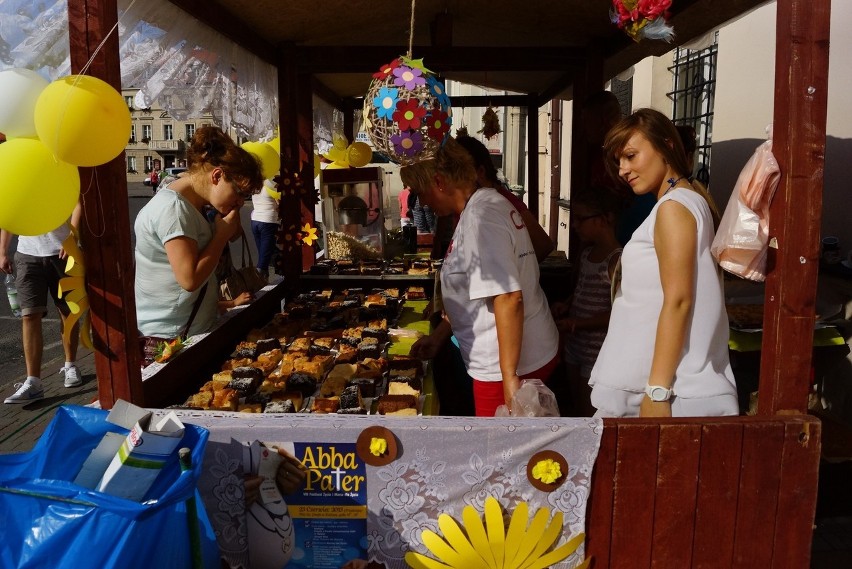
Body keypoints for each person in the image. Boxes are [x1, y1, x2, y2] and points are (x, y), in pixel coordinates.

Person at [588, 108, 737, 418]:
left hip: (665, 392)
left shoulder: (674, 208)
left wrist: (657, 391)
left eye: (630, 156)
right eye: (619, 161)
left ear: (667, 146)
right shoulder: (686, 201)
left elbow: (679, 300)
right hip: (658, 385)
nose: (623, 170)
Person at [401, 138, 560, 417]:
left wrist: (509, 380)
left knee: (499, 454)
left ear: (439, 181)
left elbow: (508, 296)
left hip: (506, 365)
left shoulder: (480, 217)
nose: (421, 202)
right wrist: (441, 335)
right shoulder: (483, 205)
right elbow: (475, 293)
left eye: (419, 191)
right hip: (515, 356)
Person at [134, 126, 263, 363]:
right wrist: (220, 235)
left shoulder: (193, 205)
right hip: (171, 343)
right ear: (217, 176)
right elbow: (189, 279)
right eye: (239, 193)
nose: (240, 202)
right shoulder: (173, 209)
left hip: (188, 331)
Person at [1, 200, 83, 404]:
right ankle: (33, 381)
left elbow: (77, 203)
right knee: (29, 315)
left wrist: (72, 236)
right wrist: (3, 251)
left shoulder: (60, 170)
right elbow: (10, 213)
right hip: (27, 255)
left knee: (67, 312)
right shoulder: (22, 176)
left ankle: (70, 365)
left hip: (61, 252)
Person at [551, 187, 622, 416]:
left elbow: (618, 314)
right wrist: (568, 304)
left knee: (587, 412)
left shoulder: (617, 261)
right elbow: (583, 290)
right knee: (574, 405)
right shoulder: (586, 254)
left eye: (581, 219)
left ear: (604, 219)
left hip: (598, 352)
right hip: (575, 347)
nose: (575, 225)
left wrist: (576, 324)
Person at [455, 135, 554, 262]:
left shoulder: (506, 202)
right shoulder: (466, 202)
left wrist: (519, 269)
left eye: (457, 173)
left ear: (480, 171)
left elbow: (544, 245)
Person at [250, 178, 280, 279]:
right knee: (265, 257)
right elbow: (279, 201)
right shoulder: (270, 183)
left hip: (255, 220)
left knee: (263, 253)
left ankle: (264, 278)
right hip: (268, 221)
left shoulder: (255, 183)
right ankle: (258, 279)